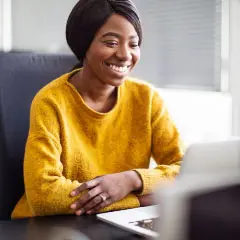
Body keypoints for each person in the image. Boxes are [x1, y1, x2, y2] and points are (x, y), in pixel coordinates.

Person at [11, 0, 184, 219]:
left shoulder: (147, 98)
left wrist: (131, 180)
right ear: (84, 45)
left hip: (116, 224)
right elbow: (44, 194)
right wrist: (138, 200)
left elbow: (184, 170)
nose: (125, 55)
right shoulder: (50, 101)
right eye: (111, 43)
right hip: (51, 227)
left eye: (133, 44)